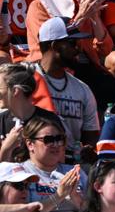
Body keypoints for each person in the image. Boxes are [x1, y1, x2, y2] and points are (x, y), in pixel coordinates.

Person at [28, 17, 99, 158]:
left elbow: (91, 136)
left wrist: (87, 151)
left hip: (71, 166)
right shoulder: (27, 80)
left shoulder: (83, 90)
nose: (79, 49)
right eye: (73, 43)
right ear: (55, 46)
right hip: (33, 164)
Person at [21, 109, 81, 212]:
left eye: (59, 139)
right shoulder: (19, 173)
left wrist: (75, 195)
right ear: (30, 144)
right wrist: (59, 196)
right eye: (48, 140)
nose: (56, 144)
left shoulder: (74, 172)